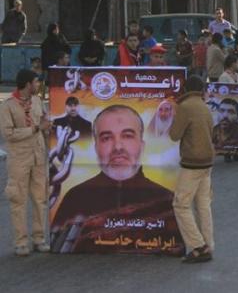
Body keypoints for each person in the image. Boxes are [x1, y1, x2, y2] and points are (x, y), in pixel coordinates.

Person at [50, 105, 178, 253]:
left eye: (127, 136)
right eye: (106, 138)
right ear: (96, 147)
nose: (117, 147)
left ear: (142, 146)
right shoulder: (75, 198)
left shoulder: (165, 200)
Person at [1, 69, 50, 256]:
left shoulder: (37, 102)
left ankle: (39, 237)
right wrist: (36, 128)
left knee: (40, 199)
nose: (38, 86)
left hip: (38, 156)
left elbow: (45, 124)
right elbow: (8, 134)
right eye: (36, 82)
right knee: (18, 199)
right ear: (28, 84)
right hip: (19, 159)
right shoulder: (8, 106)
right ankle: (21, 241)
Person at [169, 75, 215, 263]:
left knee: (180, 204)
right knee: (203, 204)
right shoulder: (204, 106)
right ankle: (208, 244)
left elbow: (174, 135)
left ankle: (198, 246)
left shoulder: (185, 107)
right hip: (207, 161)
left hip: (192, 162)